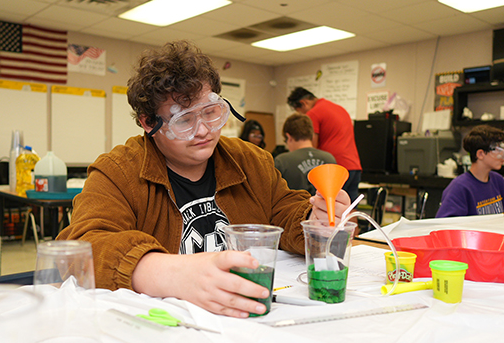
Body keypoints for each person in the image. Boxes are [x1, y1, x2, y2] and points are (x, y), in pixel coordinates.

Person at [57, 41, 349, 318]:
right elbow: (81, 247)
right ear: (149, 123)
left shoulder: (251, 160)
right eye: (184, 120)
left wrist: (316, 219)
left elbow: (284, 213)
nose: (203, 131)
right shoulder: (118, 171)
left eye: (211, 113)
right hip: (166, 328)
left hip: (248, 318)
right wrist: (168, 272)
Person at [287, 87, 362, 203]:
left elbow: (312, 147)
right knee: (350, 208)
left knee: (328, 209)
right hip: (354, 165)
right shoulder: (338, 108)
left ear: (303, 103)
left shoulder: (314, 113)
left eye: (300, 111)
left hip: (336, 167)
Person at [436, 125, 504, 217]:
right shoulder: (459, 188)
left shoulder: (499, 181)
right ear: (480, 154)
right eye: (498, 150)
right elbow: (446, 224)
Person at [274, 113, 337, 194]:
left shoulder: (282, 161)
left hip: (295, 206)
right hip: (324, 206)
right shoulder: (329, 159)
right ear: (311, 135)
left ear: (288, 137)